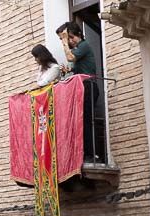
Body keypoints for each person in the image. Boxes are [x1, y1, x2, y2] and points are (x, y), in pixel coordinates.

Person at [57, 21, 103, 162]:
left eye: (68, 37)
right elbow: (77, 66)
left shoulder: (83, 45)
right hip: (82, 87)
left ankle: (93, 154)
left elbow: (70, 57)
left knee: (87, 121)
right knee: (81, 121)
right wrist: (69, 70)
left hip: (88, 86)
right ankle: (84, 153)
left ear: (76, 34)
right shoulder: (79, 49)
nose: (68, 41)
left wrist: (64, 42)